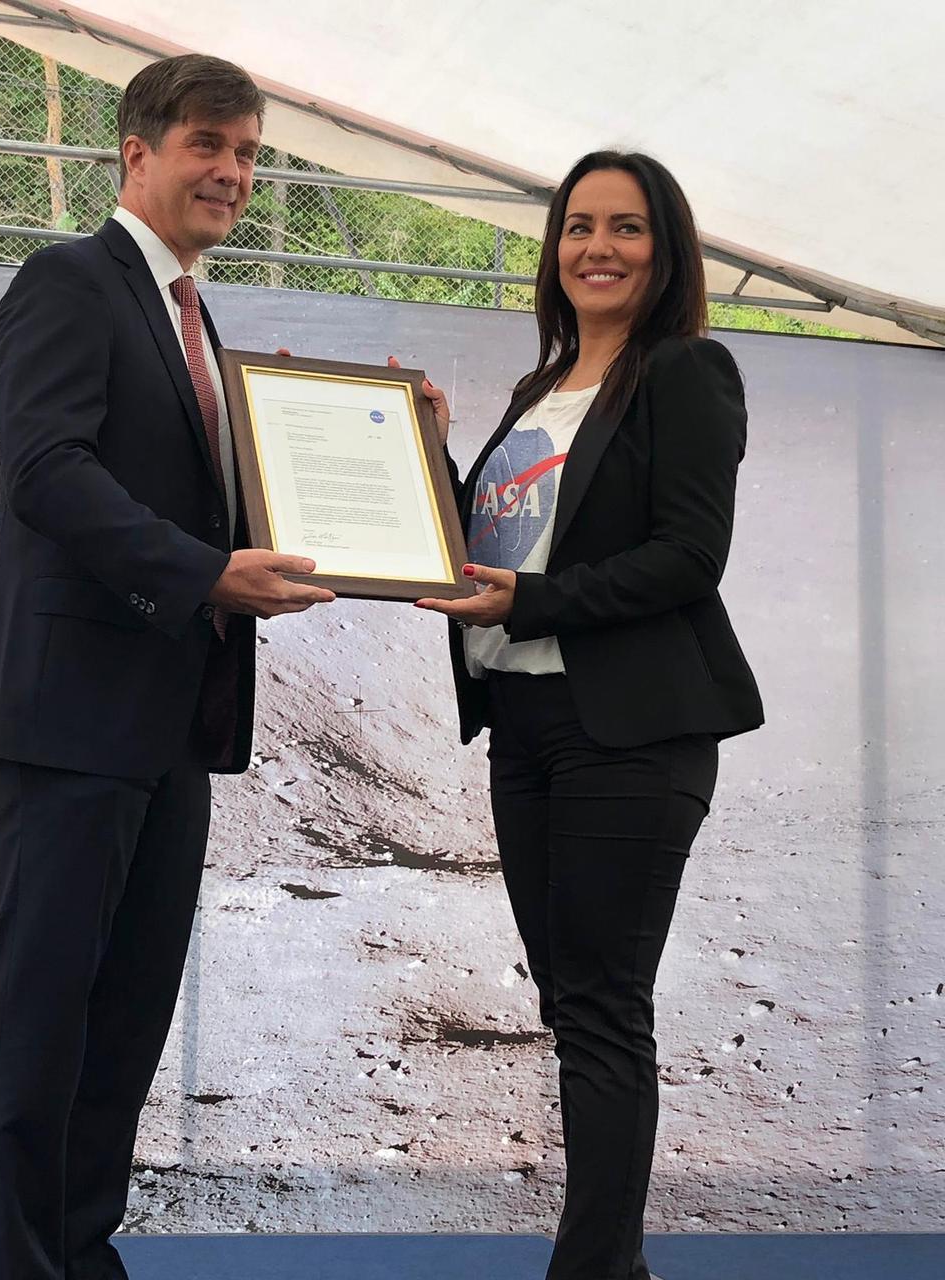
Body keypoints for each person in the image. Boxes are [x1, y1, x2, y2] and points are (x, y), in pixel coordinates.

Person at [0, 54, 333, 1280]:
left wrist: (392, 444)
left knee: (122, 1017)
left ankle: (75, 1247)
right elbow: (48, 472)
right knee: (43, 1009)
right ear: (137, 151)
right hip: (67, 716)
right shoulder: (69, 280)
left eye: (249, 153)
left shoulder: (198, 316)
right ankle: (18, 1263)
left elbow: (213, 495)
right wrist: (208, 575)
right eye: (210, 144)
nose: (231, 171)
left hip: (173, 720)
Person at [415, 151, 764, 1279]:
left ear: (664, 251)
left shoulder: (685, 372)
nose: (596, 248)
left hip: (628, 726)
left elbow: (687, 556)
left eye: (624, 228)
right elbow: (485, 547)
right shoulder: (539, 392)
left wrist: (538, 600)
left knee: (604, 1008)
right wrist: (417, 442)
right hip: (521, 724)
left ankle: (594, 1268)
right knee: (575, 1007)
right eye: (577, 226)